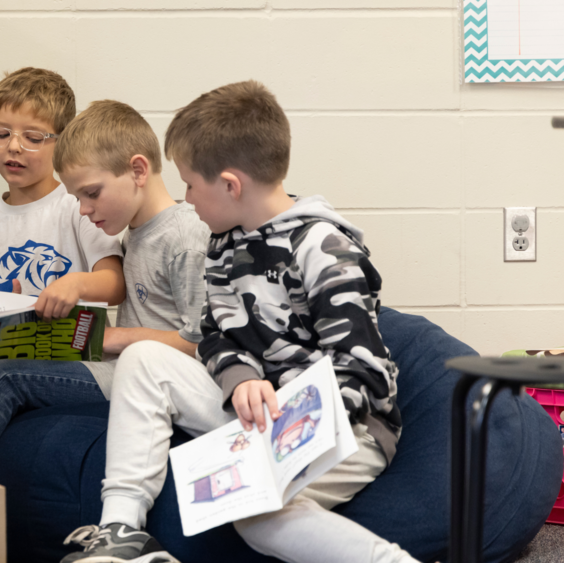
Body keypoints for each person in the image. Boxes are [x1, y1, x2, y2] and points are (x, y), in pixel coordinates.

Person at [59, 81, 418, 563]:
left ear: (230, 185)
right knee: (144, 358)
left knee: (250, 508)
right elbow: (216, 337)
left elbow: (362, 369)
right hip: (260, 413)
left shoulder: (324, 249)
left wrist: (289, 430)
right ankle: (121, 530)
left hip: (344, 426)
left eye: (189, 184)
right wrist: (242, 378)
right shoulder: (226, 245)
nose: (184, 197)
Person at [0, 100, 212, 474]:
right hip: (116, 362)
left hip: (146, 377)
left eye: (92, 193)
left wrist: (110, 338)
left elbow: (202, 346)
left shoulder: (185, 236)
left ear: (138, 170)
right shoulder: (136, 232)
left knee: (2, 375)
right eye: (77, 199)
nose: (84, 210)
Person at [0, 68, 125, 405]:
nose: (14, 146)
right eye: (1, 133)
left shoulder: (77, 206)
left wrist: (77, 285)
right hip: (4, 352)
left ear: (62, 141)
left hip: (66, 359)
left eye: (33, 137)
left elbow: (115, 284)